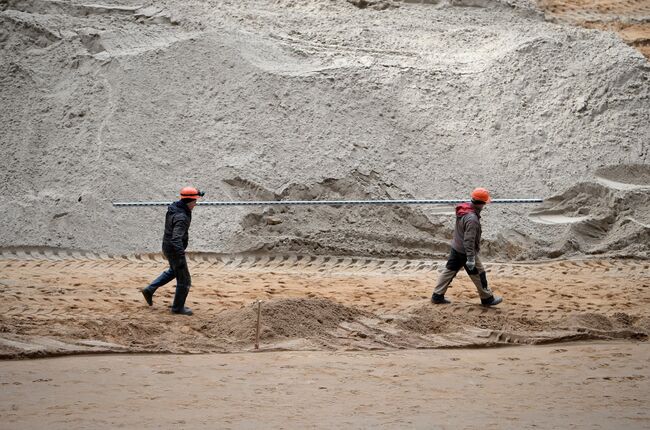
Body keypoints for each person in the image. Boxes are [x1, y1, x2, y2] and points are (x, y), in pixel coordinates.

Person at [431, 187, 502, 306]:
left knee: (449, 271)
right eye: (485, 202)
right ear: (481, 203)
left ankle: (437, 295)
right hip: (465, 251)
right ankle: (487, 298)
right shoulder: (472, 219)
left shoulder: (464, 209)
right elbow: (469, 240)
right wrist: (470, 258)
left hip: (456, 247)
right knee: (479, 273)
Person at [141, 186, 204, 315]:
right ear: (189, 201)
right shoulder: (181, 216)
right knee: (184, 280)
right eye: (195, 201)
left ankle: (149, 289)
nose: (196, 204)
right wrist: (181, 256)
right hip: (174, 249)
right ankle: (177, 308)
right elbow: (176, 239)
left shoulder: (175, 207)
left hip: (167, 246)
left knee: (174, 271)